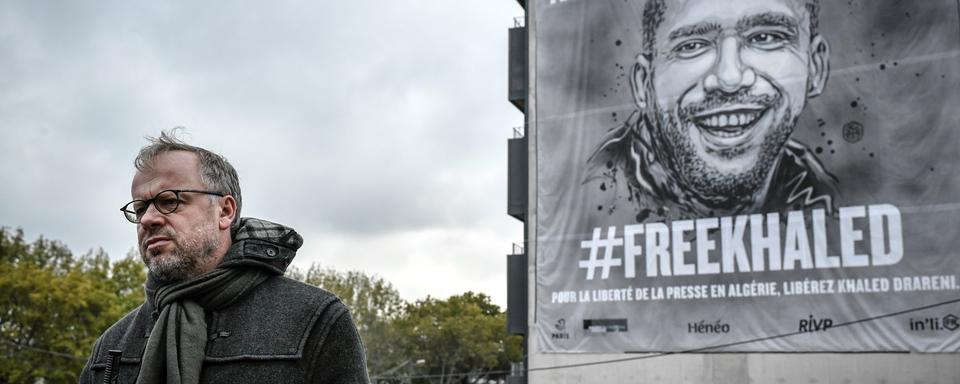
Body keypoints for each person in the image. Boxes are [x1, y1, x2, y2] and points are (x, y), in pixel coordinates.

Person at [79, 131, 369, 384]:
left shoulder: (314, 319)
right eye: (140, 208)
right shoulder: (112, 345)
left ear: (225, 211)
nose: (148, 219)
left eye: (169, 201)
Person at [588, 0, 838, 221]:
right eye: (692, 45)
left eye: (765, 38)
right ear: (644, 85)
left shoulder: (823, 199)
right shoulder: (592, 196)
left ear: (816, 69)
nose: (729, 78)